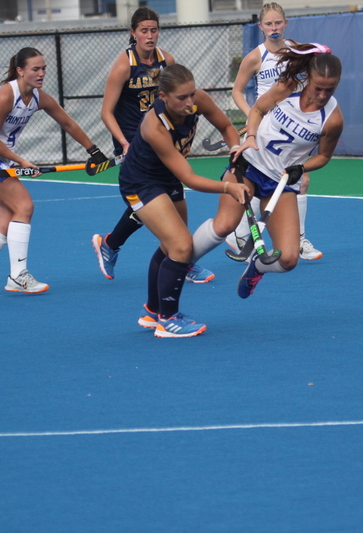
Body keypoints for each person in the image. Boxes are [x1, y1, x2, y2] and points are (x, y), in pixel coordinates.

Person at [189, 43, 343, 299]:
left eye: (330, 89)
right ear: (308, 78)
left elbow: (324, 156)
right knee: (225, 225)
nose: (323, 95)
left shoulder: (333, 119)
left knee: (289, 258)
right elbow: (258, 109)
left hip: (280, 182)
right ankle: (181, 262)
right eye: (318, 88)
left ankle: (257, 267)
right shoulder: (288, 87)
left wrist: (301, 167)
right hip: (249, 166)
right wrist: (249, 137)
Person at [0, 47, 107, 297]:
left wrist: (93, 150)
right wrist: (20, 161)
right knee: (24, 207)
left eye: (44, 68)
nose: (42, 72)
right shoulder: (4, 96)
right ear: (20, 71)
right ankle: (18, 276)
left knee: (5, 223)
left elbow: (67, 122)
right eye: (36, 69)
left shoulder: (38, 97)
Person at [117, 64, 247, 337]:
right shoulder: (155, 126)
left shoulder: (197, 98)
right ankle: (168, 320)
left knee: (171, 246)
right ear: (163, 96)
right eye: (182, 98)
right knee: (181, 246)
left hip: (167, 178)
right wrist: (228, 187)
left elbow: (225, 125)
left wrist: (236, 149)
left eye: (191, 94)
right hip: (140, 183)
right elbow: (189, 177)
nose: (190, 103)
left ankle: (153, 312)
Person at [93, 7, 215, 283]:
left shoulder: (166, 60)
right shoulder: (124, 65)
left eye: (154, 30)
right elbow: (106, 112)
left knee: (165, 197)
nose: (149, 35)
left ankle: (119, 245)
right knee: (154, 198)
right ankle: (177, 254)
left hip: (160, 138)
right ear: (133, 33)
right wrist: (123, 142)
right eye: (143, 31)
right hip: (133, 143)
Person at [228, 2, 322, 261]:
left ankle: (299, 240)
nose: (273, 28)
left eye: (277, 23)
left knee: (300, 180)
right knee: (263, 181)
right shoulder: (255, 57)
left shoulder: (296, 51)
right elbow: (237, 90)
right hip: (264, 129)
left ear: (285, 23)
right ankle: (241, 233)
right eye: (268, 24)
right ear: (260, 27)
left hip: (292, 130)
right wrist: (252, 117)